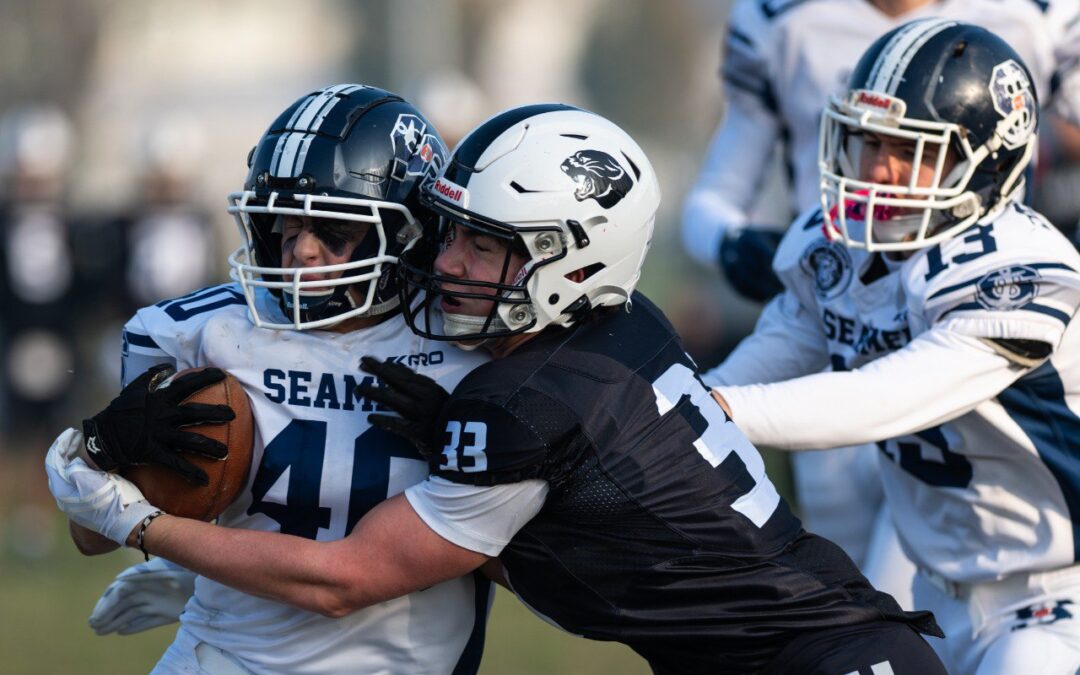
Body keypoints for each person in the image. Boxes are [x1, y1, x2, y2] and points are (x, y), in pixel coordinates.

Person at [48, 103, 946, 674]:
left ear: (568, 259)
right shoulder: (617, 327)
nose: (446, 262)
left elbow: (346, 577)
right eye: (451, 233)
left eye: (481, 244)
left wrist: (152, 529)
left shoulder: (514, 393)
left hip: (819, 657)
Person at [51, 84, 492, 674]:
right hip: (222, 654)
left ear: (411, 231)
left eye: (333, 229)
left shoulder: (473, 345)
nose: (300, 252)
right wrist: (113, 458)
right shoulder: (199, 333)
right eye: (282, 226)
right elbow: (91, 538)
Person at [706, 20, 1080, 674]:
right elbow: (782, 343)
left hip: (1054, 599)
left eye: (910, 152)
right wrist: (685, 405)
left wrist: (728, 410)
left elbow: (884, 397)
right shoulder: (846, 250)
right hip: (931, 588)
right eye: (869, 142)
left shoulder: (1021, 269)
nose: (879, 170)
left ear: (986, 161)